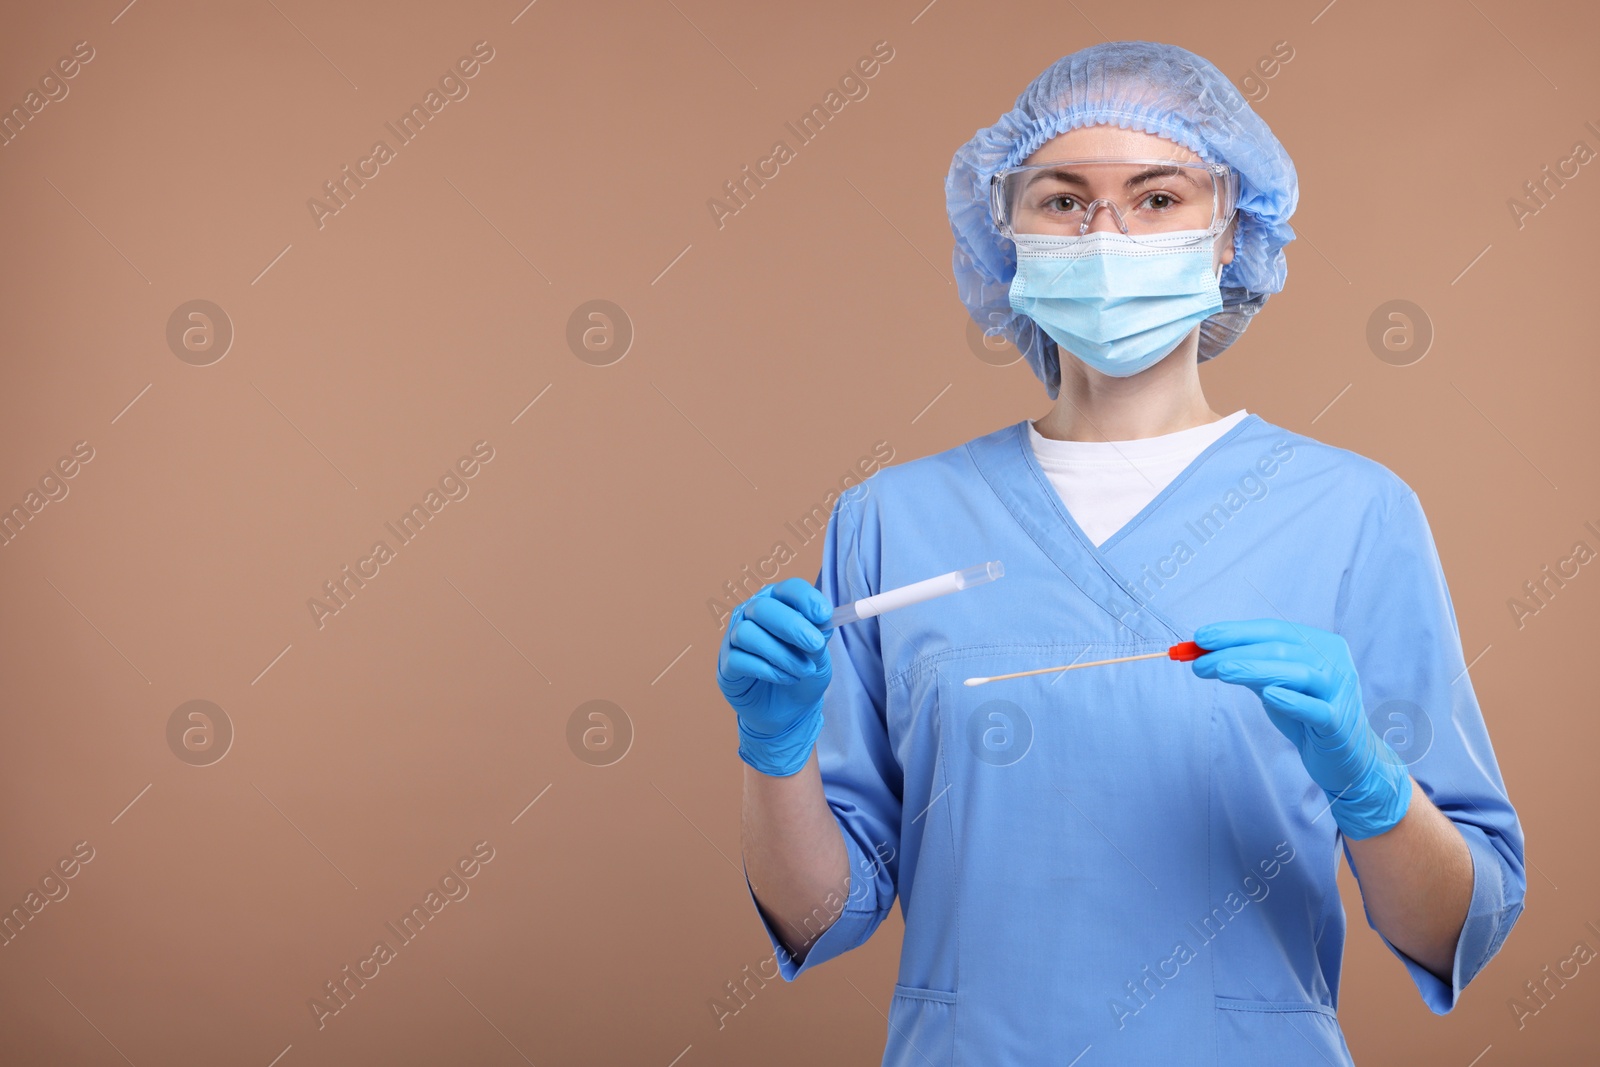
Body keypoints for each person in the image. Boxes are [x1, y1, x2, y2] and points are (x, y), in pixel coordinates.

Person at [716, 40, 1524, 1065]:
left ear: (1230, 228)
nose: (1106, 234)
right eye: (1061, 200)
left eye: (1155, 199)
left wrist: (1367, 780)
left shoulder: (1353, 515)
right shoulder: (892, 519)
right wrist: (775, 751)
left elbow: (1452, 928)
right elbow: (821, 917)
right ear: (1004, 232)